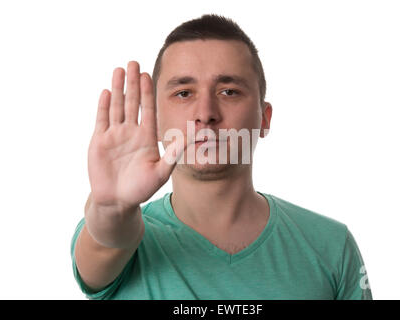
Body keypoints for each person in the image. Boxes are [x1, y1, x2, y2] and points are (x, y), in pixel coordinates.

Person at [71, 14, 373, 300]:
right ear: (156, 120)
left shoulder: (332, 246)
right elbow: (107, 242)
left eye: (229, 91)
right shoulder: (125, 236)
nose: (206, 114)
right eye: (184, 93)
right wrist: (113, 208)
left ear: (264, 118)